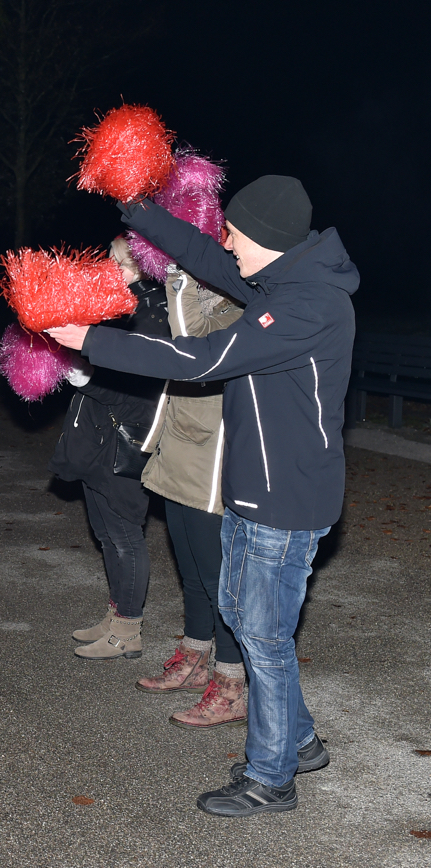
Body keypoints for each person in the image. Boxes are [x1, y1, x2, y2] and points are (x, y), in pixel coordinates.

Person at [48, 175, 359, 817]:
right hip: (255, 488)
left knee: (264, 637)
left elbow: (203, 359)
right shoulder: (280, 279)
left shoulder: (306, 305)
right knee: (245, 619)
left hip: (286, 499)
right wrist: (138, 210)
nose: (226, 241)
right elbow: (206, 257)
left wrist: (94, 341)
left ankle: (270, 778)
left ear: (268, 242)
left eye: (236, 233)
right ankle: (299, 742)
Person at [134, 266, 249, 729]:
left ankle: (231, 683)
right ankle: (195, 657)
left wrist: (180, 278)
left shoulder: (241, 309)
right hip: (181, 450)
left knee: (220, 581)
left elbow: (191, 346)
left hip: (210, 463)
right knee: (193, 573)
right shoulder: (214, 303)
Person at [50, 237, 169, 659]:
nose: (110, 268)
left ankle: (128, 630)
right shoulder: (116, 304)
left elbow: (144, 398)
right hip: (97, 439)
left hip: (125, 445)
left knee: (125, 537)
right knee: (105, 534)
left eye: (121, 263)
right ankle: (116, 613)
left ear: (145, 267)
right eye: (110, 258)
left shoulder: (152, 313)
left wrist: (88, 380)